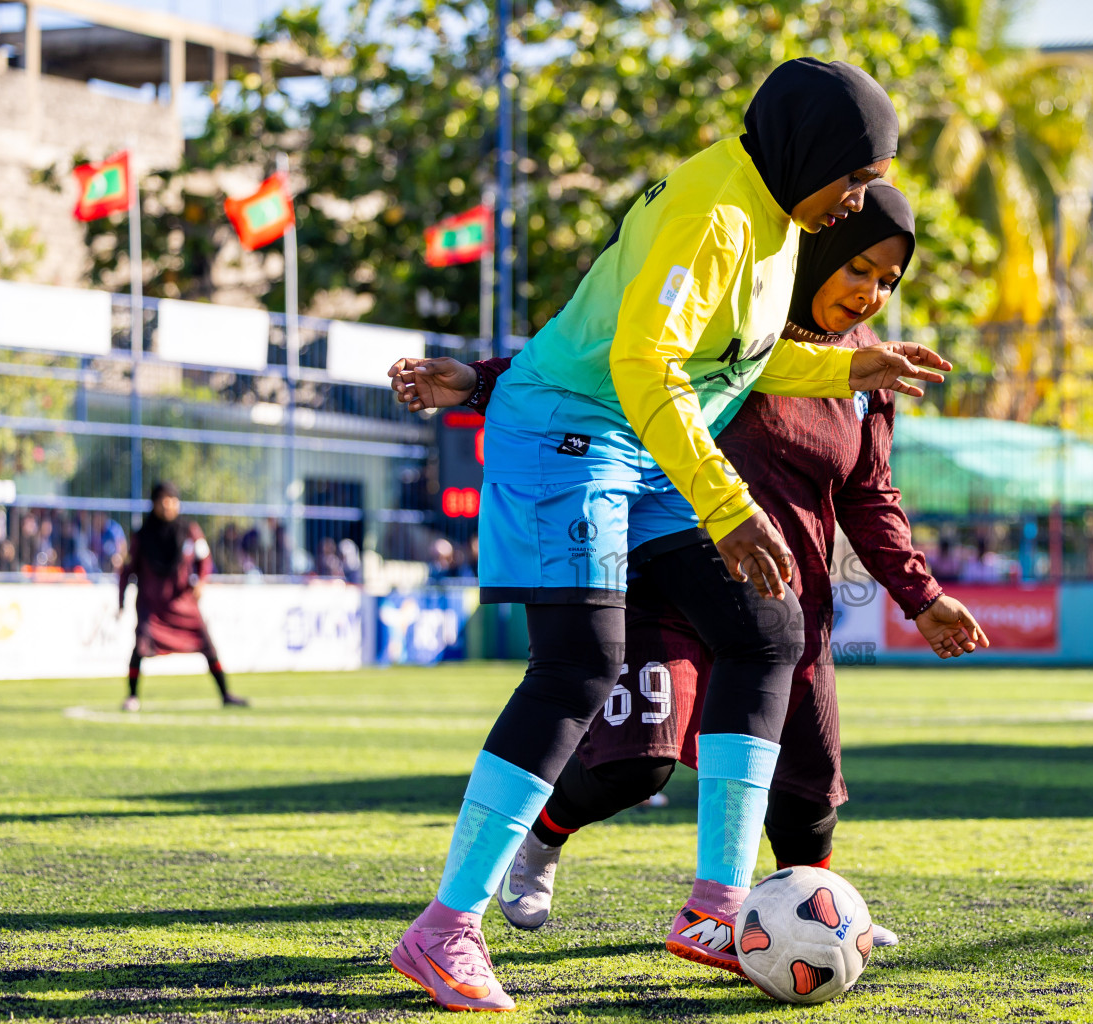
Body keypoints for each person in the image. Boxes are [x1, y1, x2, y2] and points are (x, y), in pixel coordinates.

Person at [386, 58, 949, 1011]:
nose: (859, 203)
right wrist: (728, 509)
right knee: (577, 668)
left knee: (765, 633)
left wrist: (849, 372)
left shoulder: (771, 216)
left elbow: (744, 360)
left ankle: (716, 909)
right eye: (856, 180)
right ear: (810, 150)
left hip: (635, 443)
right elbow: (643, 364)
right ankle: (445, 930)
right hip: (570, 434)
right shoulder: (714, 216)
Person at [462, 180, 986, 957]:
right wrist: (478, 382)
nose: (872, 294)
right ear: (818, 252)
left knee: (808, 793)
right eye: (859, 269)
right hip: (668, 575)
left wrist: (924, 596)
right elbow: (609, 363)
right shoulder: (739, 316)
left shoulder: (868, 374)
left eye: (888, 282)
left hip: (785, 596)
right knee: (633, 768)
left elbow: (869, 495)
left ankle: (813, 919)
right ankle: (543, 835)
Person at [117, 482, 248, 712]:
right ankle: (132, 696)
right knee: (140, 647)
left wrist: (202, 580)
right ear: (154, 504)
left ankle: (226, 694)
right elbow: (127, 570)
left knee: (207, 645)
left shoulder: (189, 531)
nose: (168, 505)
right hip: (152, 604)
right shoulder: (142, 536)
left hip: (183, 602)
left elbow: (204, 559)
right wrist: (121, 600)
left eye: (172, 500)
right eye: (162, 500)